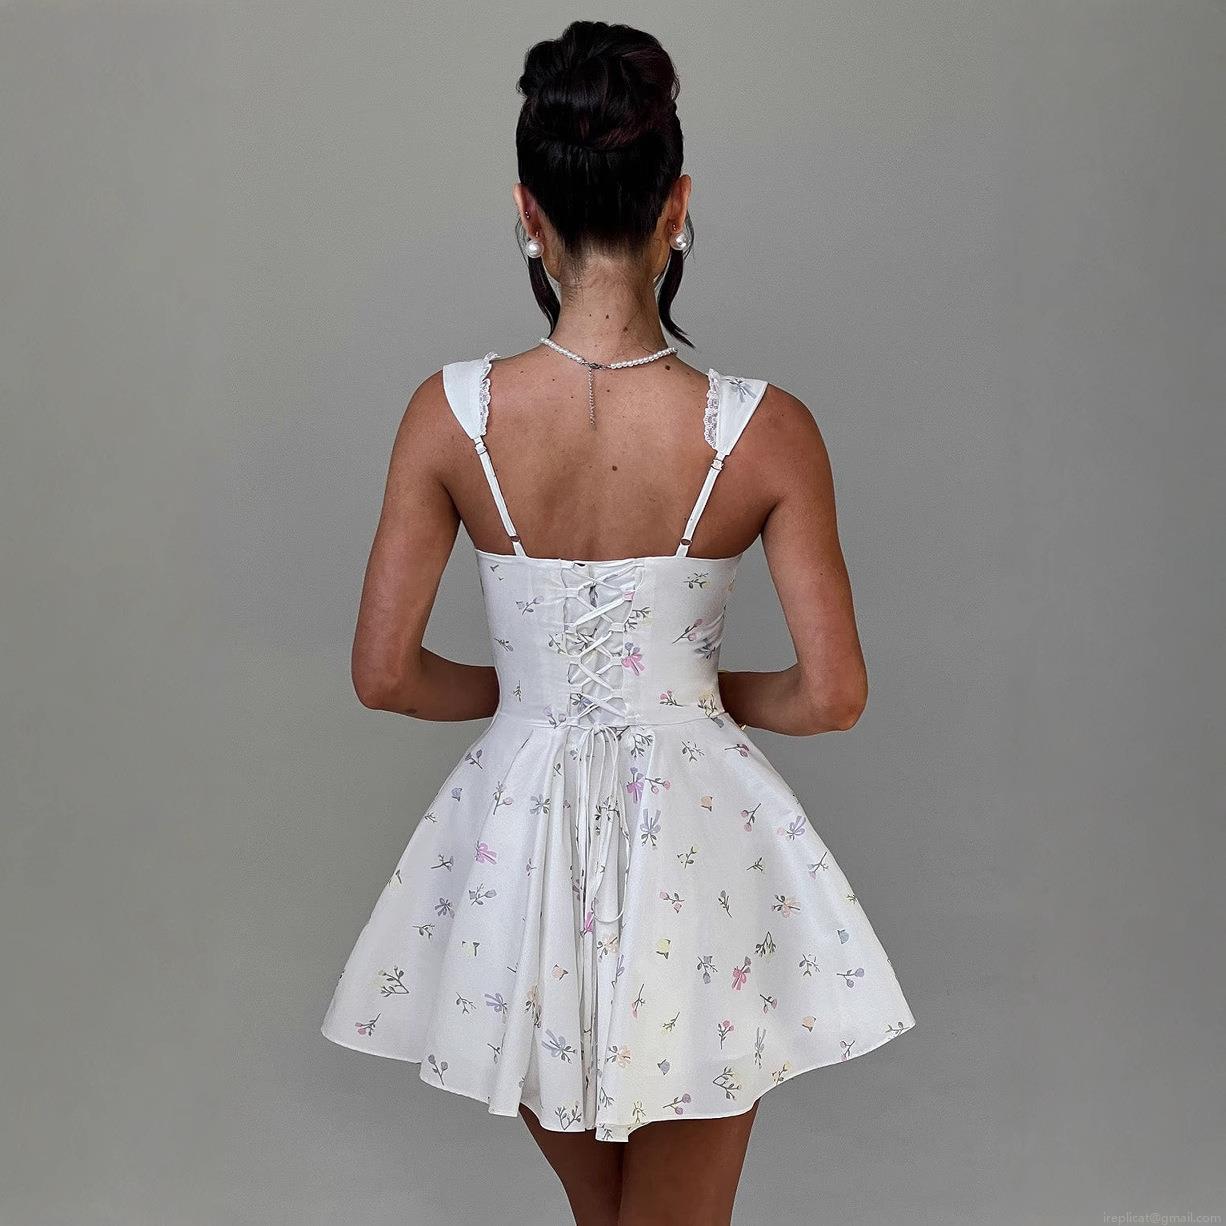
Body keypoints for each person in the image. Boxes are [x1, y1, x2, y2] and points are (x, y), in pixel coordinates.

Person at [321, 20, 916, 1225]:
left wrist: (530, 691)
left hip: (522, 840)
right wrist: (685, 691)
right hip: (695, 836)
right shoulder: (764, 430)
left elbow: (383, 674)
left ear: (527, 213)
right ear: (675, 206)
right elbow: (832, 693)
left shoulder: (450, 414)